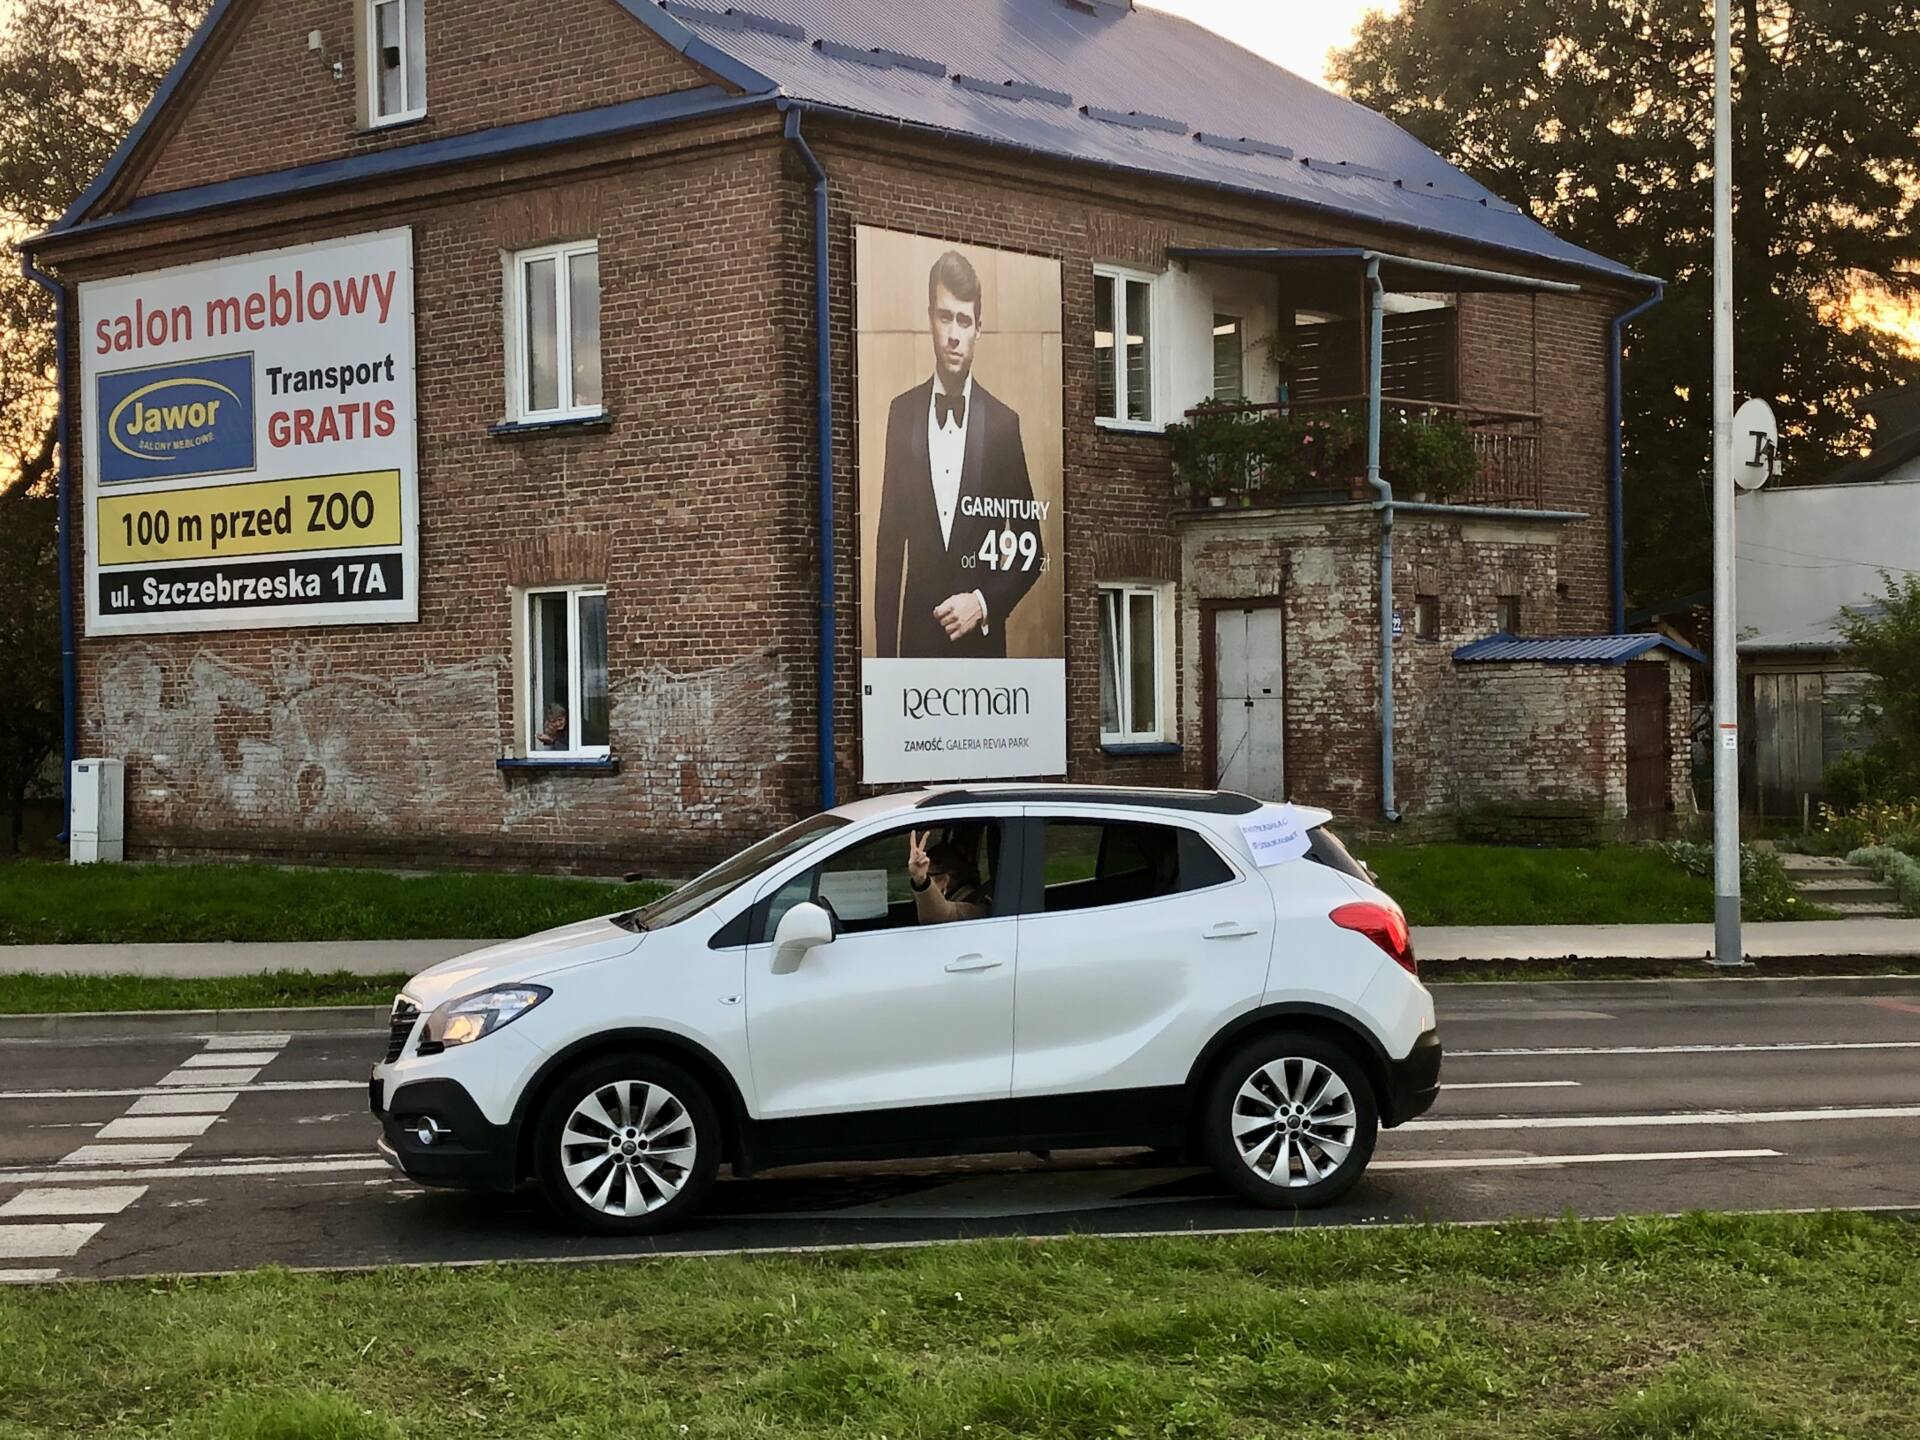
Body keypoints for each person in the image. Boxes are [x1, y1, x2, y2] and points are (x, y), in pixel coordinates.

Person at [872, 249, 1046, 659]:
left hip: (982, 657)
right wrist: (884, 668)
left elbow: (1032, 549)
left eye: (964, 320)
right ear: (929, 317)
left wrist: (982, 603)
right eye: (945, 316)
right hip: (915, 653)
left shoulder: (1004, 424)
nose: (953, 334)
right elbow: (888, 550)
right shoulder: (902, 413)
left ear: (978, 329)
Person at [905, 828, 991, 924]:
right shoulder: (958, 897)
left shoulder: (973, 908)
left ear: (944, 879)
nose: (927, 879)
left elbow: (940, 916)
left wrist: (922, 880)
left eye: (929, 875)